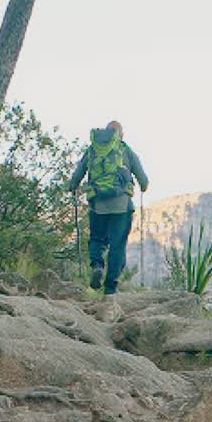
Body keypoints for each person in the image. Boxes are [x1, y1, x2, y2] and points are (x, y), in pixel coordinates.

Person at [67, 121, 149, 295]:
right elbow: (144, 181)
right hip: (121, 207)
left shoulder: (92, 150)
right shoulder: (126, 151)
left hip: (98, 205)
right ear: (120, 134)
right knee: (117, 246)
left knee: (97, 239)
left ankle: (97, 265)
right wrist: (141, 186)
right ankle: (110, 288)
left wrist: (72, 186)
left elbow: (76, 177)